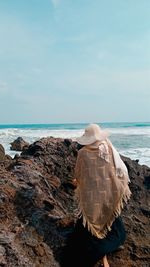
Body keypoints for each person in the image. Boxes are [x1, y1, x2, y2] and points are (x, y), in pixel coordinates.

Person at [70, 123, 131, 267]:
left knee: (90, 226)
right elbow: (119, 169)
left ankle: (101, 254)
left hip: (92, 196)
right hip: (110, 191)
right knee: (109, 221)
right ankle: (104, 256)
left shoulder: (83, 153)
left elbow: (78, 175)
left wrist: (77, 184)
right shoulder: (108, 147)